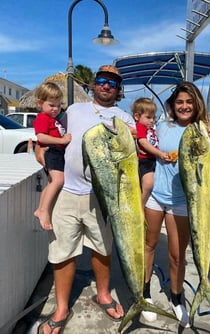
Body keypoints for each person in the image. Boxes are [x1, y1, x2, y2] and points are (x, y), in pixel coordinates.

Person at [36, 65, 136, 334]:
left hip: (102, 196)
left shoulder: (125, 117)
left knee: (103, 248)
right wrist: (40, 151)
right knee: (62, 252)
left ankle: (103, 295)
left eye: (112, 83)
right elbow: (48, 135)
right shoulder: (72, 111)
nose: (106, 86)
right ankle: (61, 308)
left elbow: (133, 153)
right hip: (65, 192)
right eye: (102, 81)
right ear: (94, 84)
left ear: (118, 89)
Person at [142, 81, 210, 326]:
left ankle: (177, 298)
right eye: (180, 102)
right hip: (157, 197)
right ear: (172, 105)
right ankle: (145, 294)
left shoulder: (204, 130)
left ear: (196, 104)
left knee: (177, 256)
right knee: (148, 246)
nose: (184, 106)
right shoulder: (161, 126)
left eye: (189, 102)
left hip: (184, 202)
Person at [33, 81, 72, 230]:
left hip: (57, 152)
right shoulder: (43, 118)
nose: (56, 109)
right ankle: (44, 210)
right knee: (58, 180)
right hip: (53, 151)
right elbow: (41, 137)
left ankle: (40, 208)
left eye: (58, 105)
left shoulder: (54, 119)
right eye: (51, 105)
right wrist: (62, 140)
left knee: (51, 182)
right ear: (40, 103)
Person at [131, 97, 168, 208]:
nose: (152, 120)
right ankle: (140, 206)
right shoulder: (140, 127)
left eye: (153, 117)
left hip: (152, 160)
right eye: (148, 117)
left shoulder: (151, 128)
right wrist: (159, 153)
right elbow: (143, 142)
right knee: (148, 183)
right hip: (144, 160)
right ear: (137, 116)